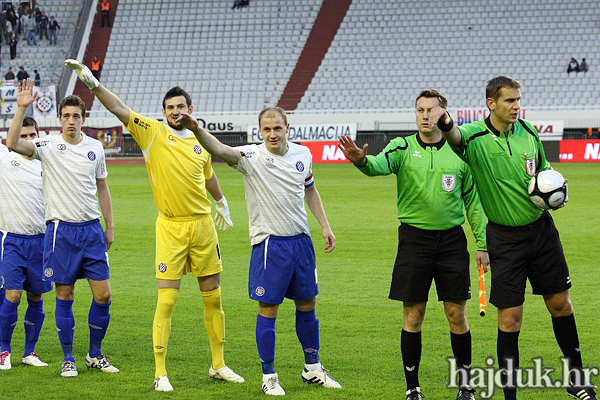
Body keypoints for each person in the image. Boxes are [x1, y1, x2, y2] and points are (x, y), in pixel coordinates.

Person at [65, 59, 244, 392]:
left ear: (191, 109)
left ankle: (218, 364)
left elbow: (209, 175)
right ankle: (160, 372)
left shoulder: (201, 141)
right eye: (170, 107)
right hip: (171, 229)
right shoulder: (151, 132)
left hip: (204, 227)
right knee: (167, 301)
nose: (175, 111)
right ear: (163, 112)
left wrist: (221, 202)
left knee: (213, 298)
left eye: (180, 106)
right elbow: (119, 108)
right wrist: (91, 83)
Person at [432, 75, 598, 400]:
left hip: (542, 232)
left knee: (561, 304)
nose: (516, 106)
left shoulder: (529, 131)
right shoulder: (474, 137)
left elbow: (544, 172)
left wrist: (556, 190)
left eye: (519, 100)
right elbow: (453, 137)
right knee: (510, 319)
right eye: (510, 101)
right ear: (491, 103)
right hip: (504, 239)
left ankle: (577, 380)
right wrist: (447, 122)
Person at [175, 104, 341, 396]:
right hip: (270, 245)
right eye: (266, 129)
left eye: (277, 128)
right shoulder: (251, 156)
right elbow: (220, 150)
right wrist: (196, 128)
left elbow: (309, 189)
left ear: (287, 128)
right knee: (269, 309)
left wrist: (324, 226)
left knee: (308, 304)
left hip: (301, 242)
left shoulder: (303, 155)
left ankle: (313, 369)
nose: (272, 134)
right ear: (259, 131)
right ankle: (269, 375)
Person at [338, 90, 488, 400]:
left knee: (457, 314)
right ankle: (413, 389)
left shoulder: (461, 153)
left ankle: (466, 386)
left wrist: (483, 244)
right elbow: (377, 165)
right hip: (414, 241)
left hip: (451, 242)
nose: (424, 115)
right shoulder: (402, 146)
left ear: (443, 113)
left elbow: (473, 203)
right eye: (419, 110)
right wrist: (361, 161)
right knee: (413, 316)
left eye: (430, 110)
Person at [6, 79, 119, 378]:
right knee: (64, 294)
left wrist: (109, 226)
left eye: (76, 116)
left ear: (84, 118)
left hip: (92, 230)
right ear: (59, 119)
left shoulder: (95, 148)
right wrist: (21, 109)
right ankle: (68, 358)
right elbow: (13, 143)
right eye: (66, 116)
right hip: (61, 232)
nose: (71, 121)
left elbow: (102, 187)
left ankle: (95, 354)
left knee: (104, 295)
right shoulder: (48, 146)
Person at [0, 112, 53, 371]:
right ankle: (3, 350)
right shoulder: (4, 158)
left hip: (41, 242)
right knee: (12, 295)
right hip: (11, 240)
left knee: (37, 297)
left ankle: (30, 352)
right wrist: (20, 109)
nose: (29, 139)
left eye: (32, 135)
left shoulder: (46, 162)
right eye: (23, 136)